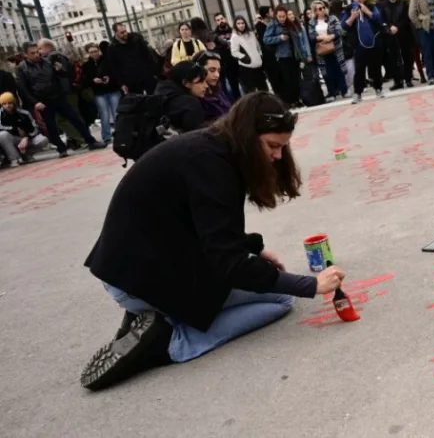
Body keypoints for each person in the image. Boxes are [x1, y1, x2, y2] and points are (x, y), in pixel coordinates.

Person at [79, 92, 346, 391]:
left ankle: (155, 317)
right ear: (248, 136)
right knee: (281, 299)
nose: (278, 156)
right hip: (143, 281)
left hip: (134, 272)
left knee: (265, 286)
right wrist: (311, 285)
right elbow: (229, 263)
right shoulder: (212, 166)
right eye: (273, 146)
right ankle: (170, 341)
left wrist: (254, 248)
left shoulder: (209, 148)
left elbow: (204, 226)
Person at [16, 42, 106, 157]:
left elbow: (66, 75)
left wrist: (59, 70)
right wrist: (35, 102)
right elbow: (23, 88)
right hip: (42, 100)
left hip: (58, 95)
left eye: (37, 51)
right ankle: (61, 148)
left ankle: (91, 141)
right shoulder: (22, 68)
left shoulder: (47, 61)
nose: (36, 55)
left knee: (76, 119)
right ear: (26, 54)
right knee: (51, 126)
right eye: (32, 53)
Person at [263, 5, 312, 107]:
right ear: (276, 16)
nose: (282, 19)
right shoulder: (273, 25)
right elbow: (266, 39)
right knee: (287, 79)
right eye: (279, 16)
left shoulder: (290, 24)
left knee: (296, 78)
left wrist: (303, 53)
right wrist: (279, 38)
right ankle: (289, 101)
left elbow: (298, 39)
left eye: (283, 16)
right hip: (282, 56)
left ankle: (297, 99)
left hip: (294, 54)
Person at [344, 0, 386, 103]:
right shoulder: (348, 9)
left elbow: (378, 19)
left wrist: (367, 11)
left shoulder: (371, 6)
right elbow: (344, 26)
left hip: (373, 42)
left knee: (376, 68)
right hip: (358, 45)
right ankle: (358, 93)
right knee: (359, 70)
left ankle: (378, 88)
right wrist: (352, 17)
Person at [150, 61, 210, 134]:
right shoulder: (191, 105)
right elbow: (198, 138)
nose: (206, 86)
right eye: (201, 82)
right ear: (186, 83)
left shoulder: (161, 92)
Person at [308, 0, 348, 100]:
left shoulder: (332, 18)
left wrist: (331, 36)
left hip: (335, 47)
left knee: (339, 69)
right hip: (322, 50)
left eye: (323, 8)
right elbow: (312, 35)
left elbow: (339, 30)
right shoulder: (312, 22)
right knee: (327, 73)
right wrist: (322, 38)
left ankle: (344, 91)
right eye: (319, 9)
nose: (322, 10)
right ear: (315, 11)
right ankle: (332, 93)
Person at [82, 43, 121, 143]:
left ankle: (120, 133)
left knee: (116, 112)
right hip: (98, 92)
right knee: (104, 114)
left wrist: (109, 78)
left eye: (95, 51)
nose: (94, 54)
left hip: (112, 89)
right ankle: (106, 136)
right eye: (91, 52)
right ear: (88, 53)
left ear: (99, 51)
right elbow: (85, 81)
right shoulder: (86, 66)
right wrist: (93, 80)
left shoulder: (107, 61)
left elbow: (116, 73)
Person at [105, 22, 159, 95]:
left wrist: (153, 72)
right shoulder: (112, 48)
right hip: (130, 82)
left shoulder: (136, 39)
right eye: (122, 32)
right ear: (116, 33)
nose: (125, 33)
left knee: (155, 97)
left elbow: (148, 55)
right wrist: (121, 84)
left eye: (125, 31)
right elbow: (114, 67)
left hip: (147, 76)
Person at [378, 0, 415, 90]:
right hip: (390, 35)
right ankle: (397, 81)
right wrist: (390, 27)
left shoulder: (403, 3)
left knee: (407, 56)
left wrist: (397, 27)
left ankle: (408, 79)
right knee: (393, 58)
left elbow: (406, 18)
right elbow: (382, 19)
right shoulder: (382, 5)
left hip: (404, 33)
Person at [0, 91, 48, 166]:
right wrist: (15, 129)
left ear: (14, 103)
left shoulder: (24, 113)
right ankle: (15, 159)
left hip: (26, 138)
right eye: (4, 104)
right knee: (3, 135)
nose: (8, 106)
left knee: (43, 140)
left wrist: (27, 137)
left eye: (10, 103)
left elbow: (35, 128)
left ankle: (26, 155)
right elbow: (1, 127)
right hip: (12, 139)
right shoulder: (1, 115)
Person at [230, 16, 269, 93]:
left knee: (264, 90)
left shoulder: (251, 34)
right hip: (246, 68)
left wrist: (260, 55)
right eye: (238, 23)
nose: (241, 25)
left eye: (243, 23)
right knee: (251, 93)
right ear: (235, 25)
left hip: (258, 66)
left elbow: (258, 46)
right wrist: (245, 58)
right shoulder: (235, 37)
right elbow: (234, 52)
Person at [193, 51, 231, 124]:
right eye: (212, 70)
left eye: (218, 70)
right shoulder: (197, 98)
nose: (217, 75)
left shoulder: (217, 87)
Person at [212, 13, 243, 99]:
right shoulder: (215, 35)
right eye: (218, 20)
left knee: (244, 84)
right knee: (234, 87)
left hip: (239, 61)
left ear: (225, 19)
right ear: (216, 22)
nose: (221, 21)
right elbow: (216, 49)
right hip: (227, 64)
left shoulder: (233, 31)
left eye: (222, 18)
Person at [254, 6, 283, 95]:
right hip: (268, 56)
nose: (272, 12)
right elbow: (264, 41)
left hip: (278, 53)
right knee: (274, 79)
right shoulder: (259, 26)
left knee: (282, 77)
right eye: (271, 11)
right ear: (266, 13)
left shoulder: (273, 23)